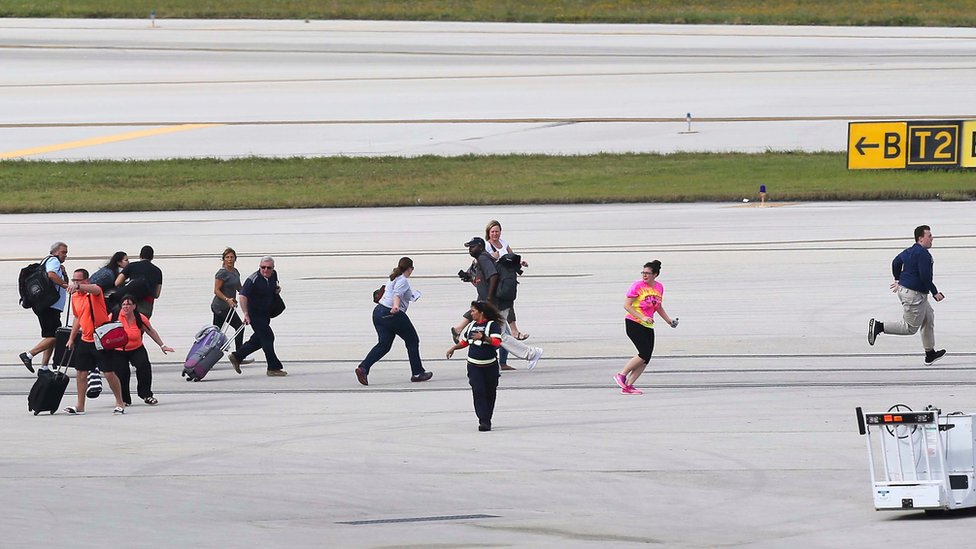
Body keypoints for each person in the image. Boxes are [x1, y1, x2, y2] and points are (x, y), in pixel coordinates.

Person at [451, 237, 543, 370]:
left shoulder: (483, 258)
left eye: (472, 247)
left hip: (496, 304)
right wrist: (471, 278)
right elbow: (485, 280)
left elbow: (493, 276)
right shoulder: (483, 259)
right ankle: (497, 361)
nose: (470, 250)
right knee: (499, 333)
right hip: (496, 303)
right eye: (469, 247)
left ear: (480, 247)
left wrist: (489, 298)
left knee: (500, 335)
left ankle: (532, 353)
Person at [868, 224, 947, 365]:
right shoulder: (923, 254)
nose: (932, 238)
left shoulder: (910, 251)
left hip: (908, 291)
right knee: (909, 328)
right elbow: (925, 276)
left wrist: (897, 279)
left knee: (928, 317)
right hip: (914, 295)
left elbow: (896, 262)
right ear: (921, 238)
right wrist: (935, 292)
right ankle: (879, 326)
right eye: (929, 236)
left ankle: (930, 353)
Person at [354, 257, 433, 385]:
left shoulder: (393, 277)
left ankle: (363, 368)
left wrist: (411, 296)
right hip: (392, 314)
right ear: (410, 269)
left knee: (384, 345)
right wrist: (396, 306)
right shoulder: (403, 280)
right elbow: (397, 294)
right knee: (412, 340)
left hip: (378, 312)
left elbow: (396, 293)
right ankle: (417, 373)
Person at [63, 269, 126, 415]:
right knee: (81, 372)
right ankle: (80, 405)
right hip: (85, 339)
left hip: (100, 339)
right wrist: (71, 338)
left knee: (108, 372)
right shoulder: (75, 297)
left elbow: (96, 289)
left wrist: (79, 287)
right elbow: (77, 317)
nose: (75, 283)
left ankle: (120, 402)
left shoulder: (93, 292)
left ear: (86, 280)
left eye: (78, 280)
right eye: (74, 280)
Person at [613, 261, 678, 395]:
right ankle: (621, 375)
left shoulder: (659, 287)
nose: (644, 275)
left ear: (655, 274)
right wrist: (642, 317)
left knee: (646, 357)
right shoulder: (637, 286)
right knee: (643, 353)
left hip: (648, 325)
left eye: (648, 273)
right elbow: (627, 305)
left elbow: (658, 306)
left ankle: (628, 386)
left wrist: (669, 321)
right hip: (634, 322)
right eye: (643, 272)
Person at [446, 301, 504, 432]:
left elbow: (497, 342)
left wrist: (483, 338)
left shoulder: (492, 325)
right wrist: (454, 348)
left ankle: (487, 418)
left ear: (481, 312)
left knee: (490, 392)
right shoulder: (472, 325)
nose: (471, 313)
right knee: (478, 391)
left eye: (473, 311)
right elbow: (465, 342)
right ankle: (483, 420)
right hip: (474, 366)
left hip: (490, 366)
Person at [109, 294, 174, 406]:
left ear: (134, 306)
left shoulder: (140, 318)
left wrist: (162, 345)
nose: (126, 307)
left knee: (144, 368)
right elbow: (103, 329)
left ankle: (146, 395)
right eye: (123, 304)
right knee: (122, 373)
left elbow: (151, 331)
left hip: (136, 348)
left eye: (129, 304)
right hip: (118, 351)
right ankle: (124, 399)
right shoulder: (114, 317)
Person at [227, 256, 287, 377]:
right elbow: (242, 296)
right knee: (268, 337)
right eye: (263, 267)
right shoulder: (253, 279)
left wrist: (277, 290)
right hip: (255, 314)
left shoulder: (274, 275)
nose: (266, 270)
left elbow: (274, 286)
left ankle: (237, 356)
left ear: (273, 268)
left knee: (259, 340)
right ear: (259, 267)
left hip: (266, 314)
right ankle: (273, 367)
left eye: (269, 268)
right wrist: (246, 314)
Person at [19, 241, 70, 373]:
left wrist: (64, 275)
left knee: (50, 336)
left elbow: (57, 278)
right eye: (63, 252)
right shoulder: (53, 260)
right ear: (55, 252)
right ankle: (29, 355)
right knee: (56, 336)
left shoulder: (52, 263)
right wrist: (66, 286)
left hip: (50, 306)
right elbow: (51, 275)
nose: (65, 255)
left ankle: (44, 367)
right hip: (49, 306)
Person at [485, 219, 531, 341]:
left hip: (507, 278)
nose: (495, 234)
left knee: (505, 304)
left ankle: (506, 332)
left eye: (497, 231)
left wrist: (521, 262)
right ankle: (511, 332)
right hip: (497, 280)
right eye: (492, 232)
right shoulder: (487, 246)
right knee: (504, 303)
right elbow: (481, 261)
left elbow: (512, 256)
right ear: (488, 233)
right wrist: (492, 257)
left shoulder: (503, 242)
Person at [211, 247, 250, 359]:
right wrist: (227, 299)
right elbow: (216, 290)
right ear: (223, 259)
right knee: (239, 327)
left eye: (231, 257)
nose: (229, 259)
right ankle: (238, 356)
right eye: (227, 257)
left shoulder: (235, 272)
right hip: (220, 306)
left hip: (229, 307)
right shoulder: (222, 273)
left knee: (216, 333)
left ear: (235, 258)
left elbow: (239, 288)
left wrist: (249, 296)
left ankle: (208, 355)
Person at [115, 245, 163, 318]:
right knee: (142, 323)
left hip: (130, 301)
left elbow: (117, 282)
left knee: (128, 323)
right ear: (152, 257)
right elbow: (156, 294)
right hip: (147, 304)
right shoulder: (157, 271)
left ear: (140, 255)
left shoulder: (131, 266)